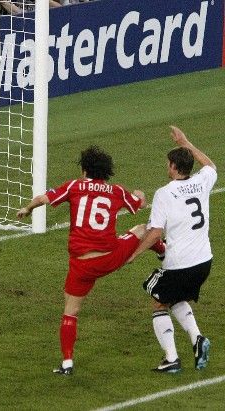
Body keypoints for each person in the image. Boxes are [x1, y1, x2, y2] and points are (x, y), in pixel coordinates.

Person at [16, 146, 165, 375]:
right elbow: (141, 203)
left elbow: (42, 198)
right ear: (107, 172)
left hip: (81, 265)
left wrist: (27, 209)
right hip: (110, 258)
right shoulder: (116, 191)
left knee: (70, 310)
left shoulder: (74, 186)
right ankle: (162, 251)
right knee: (142, 229)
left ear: (84, 169)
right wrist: (140, 194)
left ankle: (67, 363)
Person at [127, 126, 216, 373]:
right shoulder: (202, 180)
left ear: (175, 167)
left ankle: (171, 359)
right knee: (174, 297)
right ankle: (197, 339)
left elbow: (155, 232)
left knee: (158, 301)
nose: (166, 168)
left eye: (168, 164)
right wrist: (186, 141)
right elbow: (210, 165)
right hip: (204, 261)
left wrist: (133, 253)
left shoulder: (164, 194)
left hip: (181, 264)